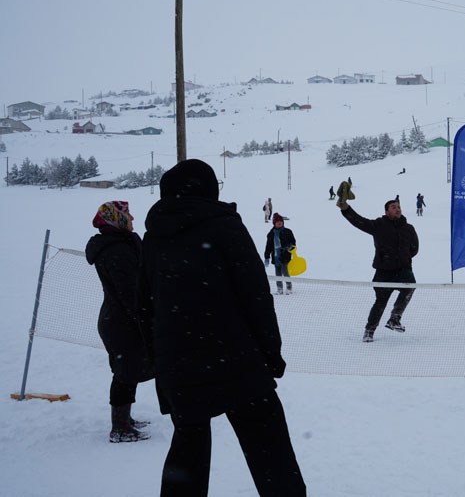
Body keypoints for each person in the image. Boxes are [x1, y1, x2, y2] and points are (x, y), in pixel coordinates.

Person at [136, 159, 305, 495]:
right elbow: (256, 296)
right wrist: (270, 354)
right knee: (272, 458)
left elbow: (145, 309)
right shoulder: (225, 225)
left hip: (181, 370)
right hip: (238, 363)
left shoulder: (154, 237)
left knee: (187, 458)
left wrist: (162, 370)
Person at [86, 201, 153, 443]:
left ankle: (125, 419)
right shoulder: (115, 250)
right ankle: (120, 427)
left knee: (129, 370)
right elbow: (128, 292)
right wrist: (143, 320)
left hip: (119, 319)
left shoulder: (121, 244)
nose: (132, 217)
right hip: (121, 321)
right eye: (127, 214)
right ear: (116, 219)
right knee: (125, 372)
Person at [336, 185, 419, 343]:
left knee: (410, 285)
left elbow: (414, 249)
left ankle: (395, 318)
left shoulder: (409, 228)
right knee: (380, 302)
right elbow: (359, 222)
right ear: (387, 212)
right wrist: (345, 209)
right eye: (393, 207)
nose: (397, 209)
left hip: (403, 269)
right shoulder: (379, 225)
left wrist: (404, 257)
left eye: (399, 207)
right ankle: (369, 330)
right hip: (384, 270)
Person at [264, 213, 296, 294]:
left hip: (285, 255)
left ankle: (289, 287)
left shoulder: (288, 231)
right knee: (278, 273)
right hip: (276, 257)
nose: (279, 223)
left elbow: (293, 242)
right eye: (277, 222)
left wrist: (290, 246)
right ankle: (279, 288)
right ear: (274, 223)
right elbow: (268, 246)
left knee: (285, 272)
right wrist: (267, 257)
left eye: (280, 222)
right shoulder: (271, 234)